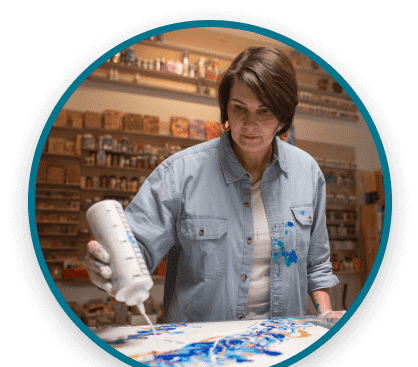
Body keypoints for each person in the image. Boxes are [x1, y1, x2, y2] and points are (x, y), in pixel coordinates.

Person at [85, 46, 346, 324]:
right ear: (226, 109)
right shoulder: (179, 173)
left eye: (265, 110)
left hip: (281, 346)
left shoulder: (307, 173)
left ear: (283, 116)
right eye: (239, 108)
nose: (249, 124)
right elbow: (135, 252)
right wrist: (106, 266)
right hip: (199, 351)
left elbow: (316, 264)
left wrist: (325, 311)